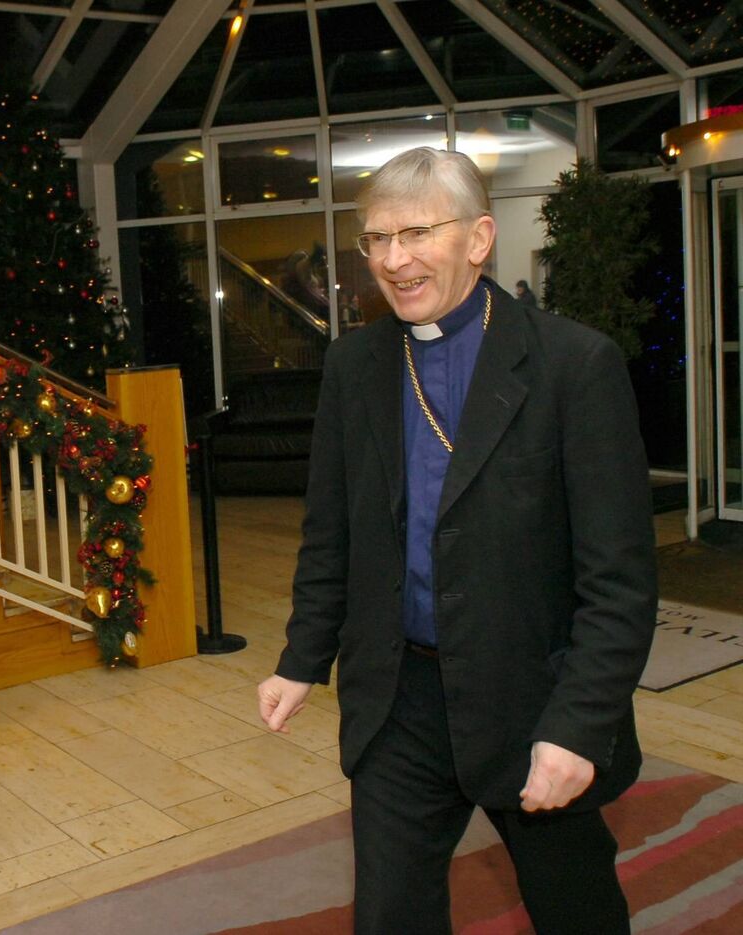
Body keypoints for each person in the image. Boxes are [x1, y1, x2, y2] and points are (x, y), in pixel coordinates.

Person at [257, 147, 655, 934]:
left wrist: (576, 726)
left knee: (575, 909)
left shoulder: (575, 366)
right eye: (375, 239)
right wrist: (302, 658)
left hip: (531, 698)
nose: (392, 259)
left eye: (415, 233)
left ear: (478, 239)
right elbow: (332, 532)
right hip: (398, 698)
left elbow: (619, 583)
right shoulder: (355, 365)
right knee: (389, 915)